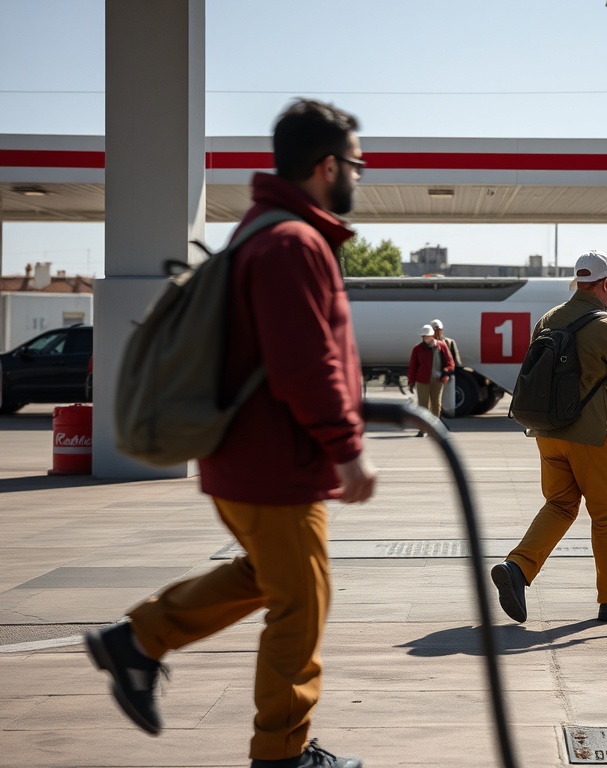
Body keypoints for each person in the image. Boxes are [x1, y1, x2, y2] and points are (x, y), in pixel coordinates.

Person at [86, 99, 376, 768]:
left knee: (266, 577)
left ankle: (137, 642)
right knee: (300, 607)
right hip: (275, 466)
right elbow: (304, 363)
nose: (358, 177)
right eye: (356, 165)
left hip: (244, 460)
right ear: (326, 165)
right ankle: (282, 756)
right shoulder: (293, 243)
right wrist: (347, 448)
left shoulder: (264, 231)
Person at [490, 250, 607, 623]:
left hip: (547, 433)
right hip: (591, 437)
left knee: (559, 506)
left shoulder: (548, 320)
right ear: (605, 284)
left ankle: (518, 568)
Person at [408, 323, 454, 435]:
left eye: (427, 336)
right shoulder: (417, 349)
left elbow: (450, 362)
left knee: (436, 404)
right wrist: (411, 381)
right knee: (423, 405)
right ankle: (423, 429)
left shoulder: (441, 346)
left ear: (432, 336)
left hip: (438, 380)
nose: (425, 338)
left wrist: (446, 371)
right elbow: (413, 366)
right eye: (423, 336)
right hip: (422, 380)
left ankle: (435, 428)